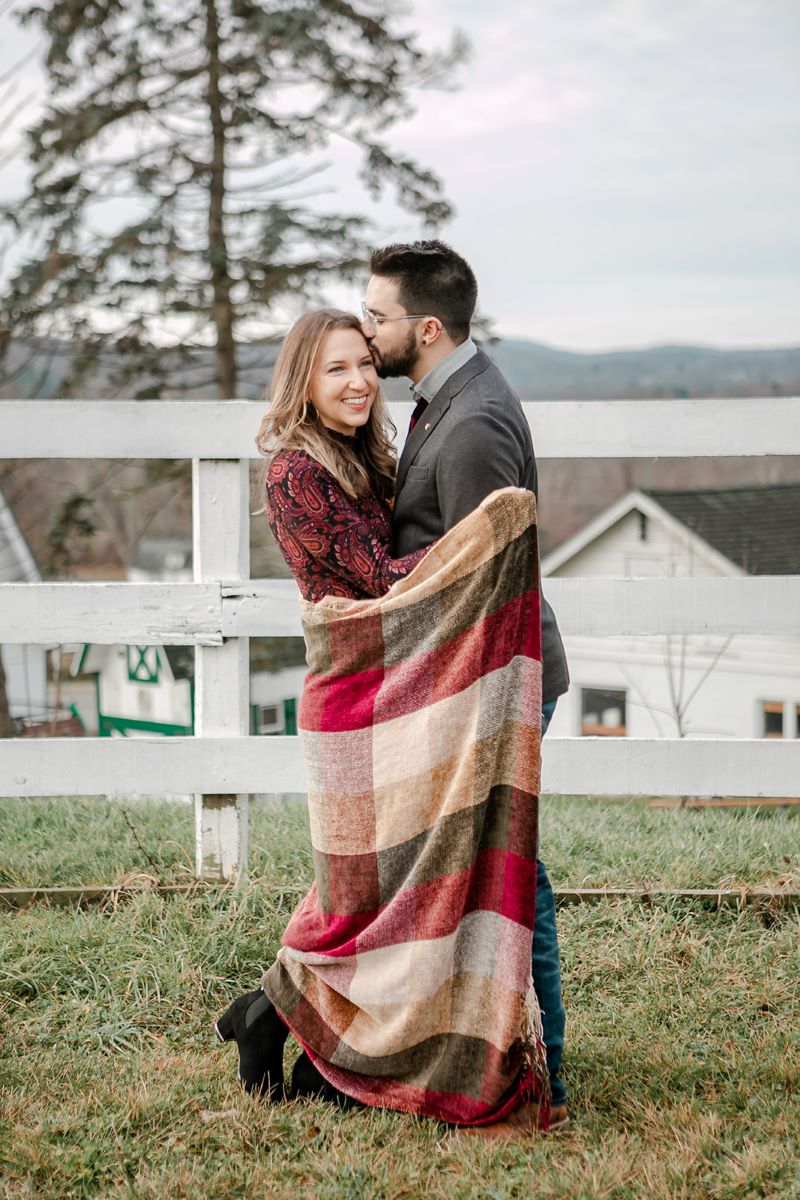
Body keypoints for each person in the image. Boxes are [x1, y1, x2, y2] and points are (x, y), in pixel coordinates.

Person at [216, 307, 552, 1136]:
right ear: (303, 380)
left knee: (385, 891)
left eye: (365, 363)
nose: (359, 380)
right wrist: (485, 542)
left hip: (396, 691)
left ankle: (284, 1027)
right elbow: (380, 582)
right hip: (350, 697)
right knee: (353, 900)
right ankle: (283, 1021)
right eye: (335, 369)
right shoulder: (296, 472)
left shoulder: (368, 459)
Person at [362, 239, 571, 1133]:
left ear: (429, 325)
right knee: (499, 869)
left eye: (377, 316)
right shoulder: (442, 400)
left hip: (497, 675)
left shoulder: (475, 422)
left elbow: (489, 583)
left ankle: (545, 1068)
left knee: (515, 876)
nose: (367, 329)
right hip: (472, 673)